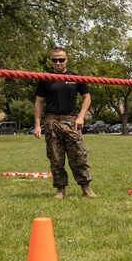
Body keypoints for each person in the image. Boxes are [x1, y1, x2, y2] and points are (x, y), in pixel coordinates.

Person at [33, 47, 96, 199]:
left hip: (71, 122)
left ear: (66, 60)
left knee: (79, 156)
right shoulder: (45, 78)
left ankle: (86, 188)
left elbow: (87, 97)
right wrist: (37, 125)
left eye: (61, 59)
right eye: (54, 60)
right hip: (52, 121)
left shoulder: (75, 77)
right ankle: (60, 190)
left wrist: (81, 117)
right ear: (51, 61)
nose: (58, 63)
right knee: (55, 158)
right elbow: (39, 101)